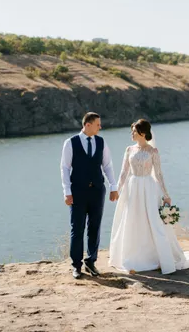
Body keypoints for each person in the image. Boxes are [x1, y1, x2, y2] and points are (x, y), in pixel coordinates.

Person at [109, 119, 189, 274]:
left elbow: (158, 174)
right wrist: (117, 189)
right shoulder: (129, 149)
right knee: (132, 221)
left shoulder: (152, 152)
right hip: (132, 189)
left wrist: (166, 195)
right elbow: (124, 171)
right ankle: (132, 257)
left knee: (153, 222)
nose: (131, 133)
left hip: (149, 189)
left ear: (142, 133)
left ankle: (156, 257)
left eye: (134, 131)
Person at [61, 112, 118, 279]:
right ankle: (76, 265)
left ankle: (91, 261)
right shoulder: (70, 143)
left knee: (95, 227)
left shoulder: (101, 142)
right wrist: (67, 192)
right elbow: (64, 168)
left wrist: (113, 186)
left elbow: (107, 165)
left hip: (97, 191)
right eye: (98, 124)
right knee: (77, 229)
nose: (100, 127)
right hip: (77, 192)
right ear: (87, 124)